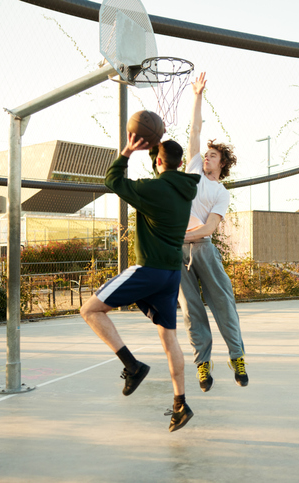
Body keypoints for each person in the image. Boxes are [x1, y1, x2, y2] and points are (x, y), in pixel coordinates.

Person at [79, 134, 200, 433]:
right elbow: (165, 169)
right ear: (181, 163)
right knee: (169, 339)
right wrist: (155, 151)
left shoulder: (152, 188)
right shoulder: (186, 187)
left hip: (149, 269)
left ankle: (132, 366)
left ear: (158, 161)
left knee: (90, 310)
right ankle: (180, 404)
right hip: (172, 274)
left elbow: (113, 180)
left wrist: (127, 152)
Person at [178, 72, 248, 392]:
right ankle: (203, 366)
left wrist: (184, 237)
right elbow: (195, 129)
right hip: (179, 252)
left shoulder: (221, 192)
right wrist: (197, 95)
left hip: (202, 247)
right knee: (192, 313)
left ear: (222, 164)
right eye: (206, 154)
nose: (207, 156)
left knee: (223, 304)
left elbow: (209, 227)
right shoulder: (192, 168)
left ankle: (237, 357)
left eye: (213, 155)